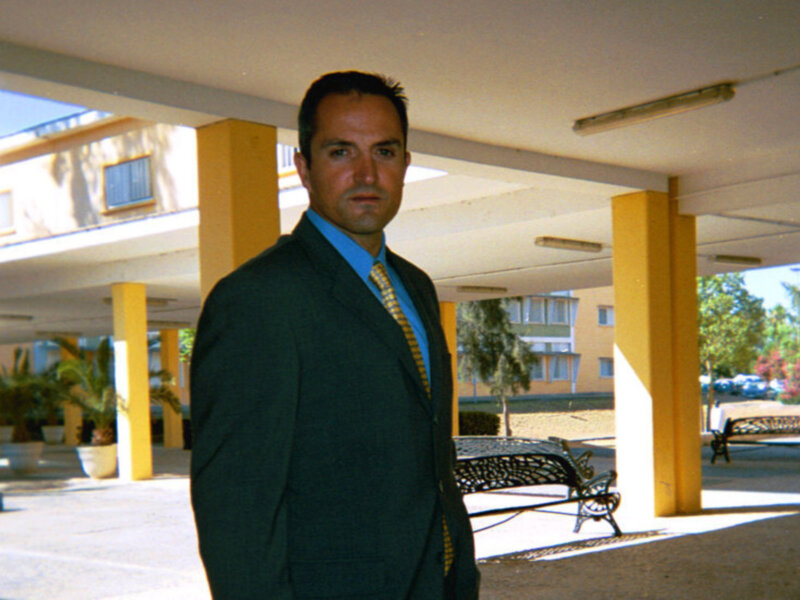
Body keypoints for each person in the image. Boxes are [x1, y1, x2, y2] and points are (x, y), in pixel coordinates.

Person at [190, 71, 480, 600]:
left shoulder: (415, 286)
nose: (367, 173)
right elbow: (238, 515)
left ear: (406, 164)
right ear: (303, 167)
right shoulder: (258, 299)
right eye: (341, 152)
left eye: (385, 152)